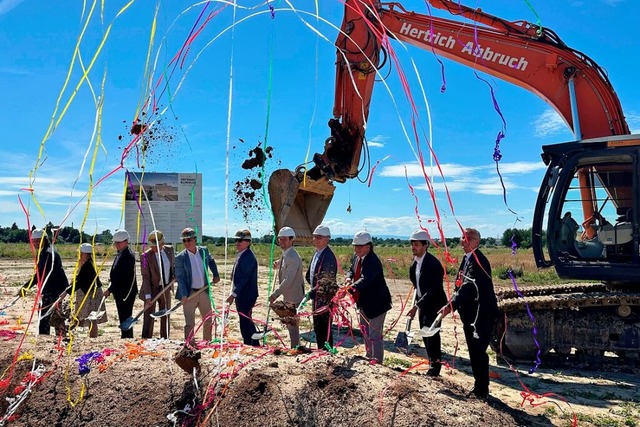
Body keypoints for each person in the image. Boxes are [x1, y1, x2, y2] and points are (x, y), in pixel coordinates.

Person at [439, 228, 499, 399]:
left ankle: (482, 390)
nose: (463, 240)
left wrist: (451, 305)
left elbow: (469, 287)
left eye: (467, 238)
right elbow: (460, 285)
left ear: (476, 242)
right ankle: (478, 385)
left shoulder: (479, 261)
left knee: (478, 352)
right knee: (473, 352)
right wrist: (452, 303)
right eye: (462, 237)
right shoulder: (467, 259)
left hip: (481, 315)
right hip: (470, 316)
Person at [344, 231, 392, 364]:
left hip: (377, 303)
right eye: (355, 246)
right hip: (363, 301)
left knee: (374, 334)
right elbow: (351, 269)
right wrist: (348, 278)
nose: (357, 249)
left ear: (368, 246)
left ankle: (377, 361)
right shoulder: (357, 256)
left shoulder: (372, 261)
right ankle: (369, 355)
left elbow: (365, 280)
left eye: (360, 246)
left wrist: (350, 288)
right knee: (364, 331)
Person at [407, 229, 447, 376]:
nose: (413, 247)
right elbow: (416, 285)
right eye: (412, 244)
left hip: (435, 305)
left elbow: (432, 290)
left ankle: (435, 368)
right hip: (423, 304)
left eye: (416, 244)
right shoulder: (415, 264)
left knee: (432, 335)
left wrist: (417, 306)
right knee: (425, 334)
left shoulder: (433, 265)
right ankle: (431, 362)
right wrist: (417, 304)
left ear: (425, 245)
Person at [175, 227, 220, 343]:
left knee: (208, 319)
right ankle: (189, 344)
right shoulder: (180, 258)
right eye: (184, 240)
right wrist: (184, 294)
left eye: (189, 239)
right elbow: (180, 278)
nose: (186, 243)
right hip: (190, 294)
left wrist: (215, 274)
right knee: (190, 323)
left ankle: (207, 342)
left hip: (204, 291)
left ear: (195, 239)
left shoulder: (203, 251)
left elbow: (211, 260)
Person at [23, 228, 70, 335]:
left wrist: (26, 286)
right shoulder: (44, 252)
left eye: (38, 241)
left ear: (44, 240)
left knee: (46, 317)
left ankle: (49, 338)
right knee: (52, 316)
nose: (36, 243)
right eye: (34, 241)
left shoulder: (49, 254)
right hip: (49, 290)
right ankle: (59, 337)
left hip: (53, 291)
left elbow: (39, 275)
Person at [269, 226, 305, 348]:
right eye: (280, 239)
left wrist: (275, 294)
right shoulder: (286, 254)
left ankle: (295, 347)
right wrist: (278, 263)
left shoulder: (293, 257)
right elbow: (284, 262)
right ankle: (295, 345)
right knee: (290, 322)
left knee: (292, 322)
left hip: (294, 295)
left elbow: (288, 280)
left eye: (284, 239)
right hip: (288, 293)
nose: (281, 241)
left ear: (291, 240)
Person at [305, 224, 338, 350]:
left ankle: (326, 352)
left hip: (324, 300)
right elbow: (310, 275)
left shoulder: (328, 256)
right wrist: (312, 287)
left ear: (327, 239)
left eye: (319, 237)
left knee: (324, 328)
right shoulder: (317, 253)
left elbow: (326, 281)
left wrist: (314, 291)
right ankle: (321, 351)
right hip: (317, 297)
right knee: (318, 327)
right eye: (314, 237)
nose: (316, 239)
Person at [226, 229, 260, 346]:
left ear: (248, 242)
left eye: (240, 240)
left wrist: (233, 294)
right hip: (242, 294)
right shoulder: (242, 254)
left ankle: (250, 343)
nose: (237, 242)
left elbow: (244, 279)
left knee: (245, 321)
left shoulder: (248, 257)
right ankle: (254, 343)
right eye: (236, 240)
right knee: (246, 320)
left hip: (247, 295)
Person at [139, 230, 175, 339]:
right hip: (151, 288)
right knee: (148, 316)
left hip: (166, 288)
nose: (154, 248)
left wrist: (175, 275)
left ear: (162, 243)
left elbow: (173, 266)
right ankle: (146, 338)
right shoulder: (145, 256)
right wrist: (148, 296)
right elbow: (146, 277)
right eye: (152, 246)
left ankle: (165, 338)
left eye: (157, 245)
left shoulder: (170, 250)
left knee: (165, 314)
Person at [104, 229, 138, 339]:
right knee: (122, 316)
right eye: (116, 242)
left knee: (126, 317)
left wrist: (110, 289)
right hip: (119, 292)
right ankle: (125, 337)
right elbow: (115, 275)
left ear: (126, 241)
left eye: (119, 242)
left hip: (126, 293)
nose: (117, 244)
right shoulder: (120, 254)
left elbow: (121, 277)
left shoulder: (128, 255)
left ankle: (127, 338)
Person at [73, 243, 107, 338]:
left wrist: (66, 292)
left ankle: (93, 337)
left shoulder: (87, 265)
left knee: (92, 318)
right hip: (89, 294)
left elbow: (79, 282)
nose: (79, 255)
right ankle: (92, 336)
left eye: (81, 253)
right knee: (90, 318)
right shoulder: (86, 264)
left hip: (92, 295)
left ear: (86, 254)